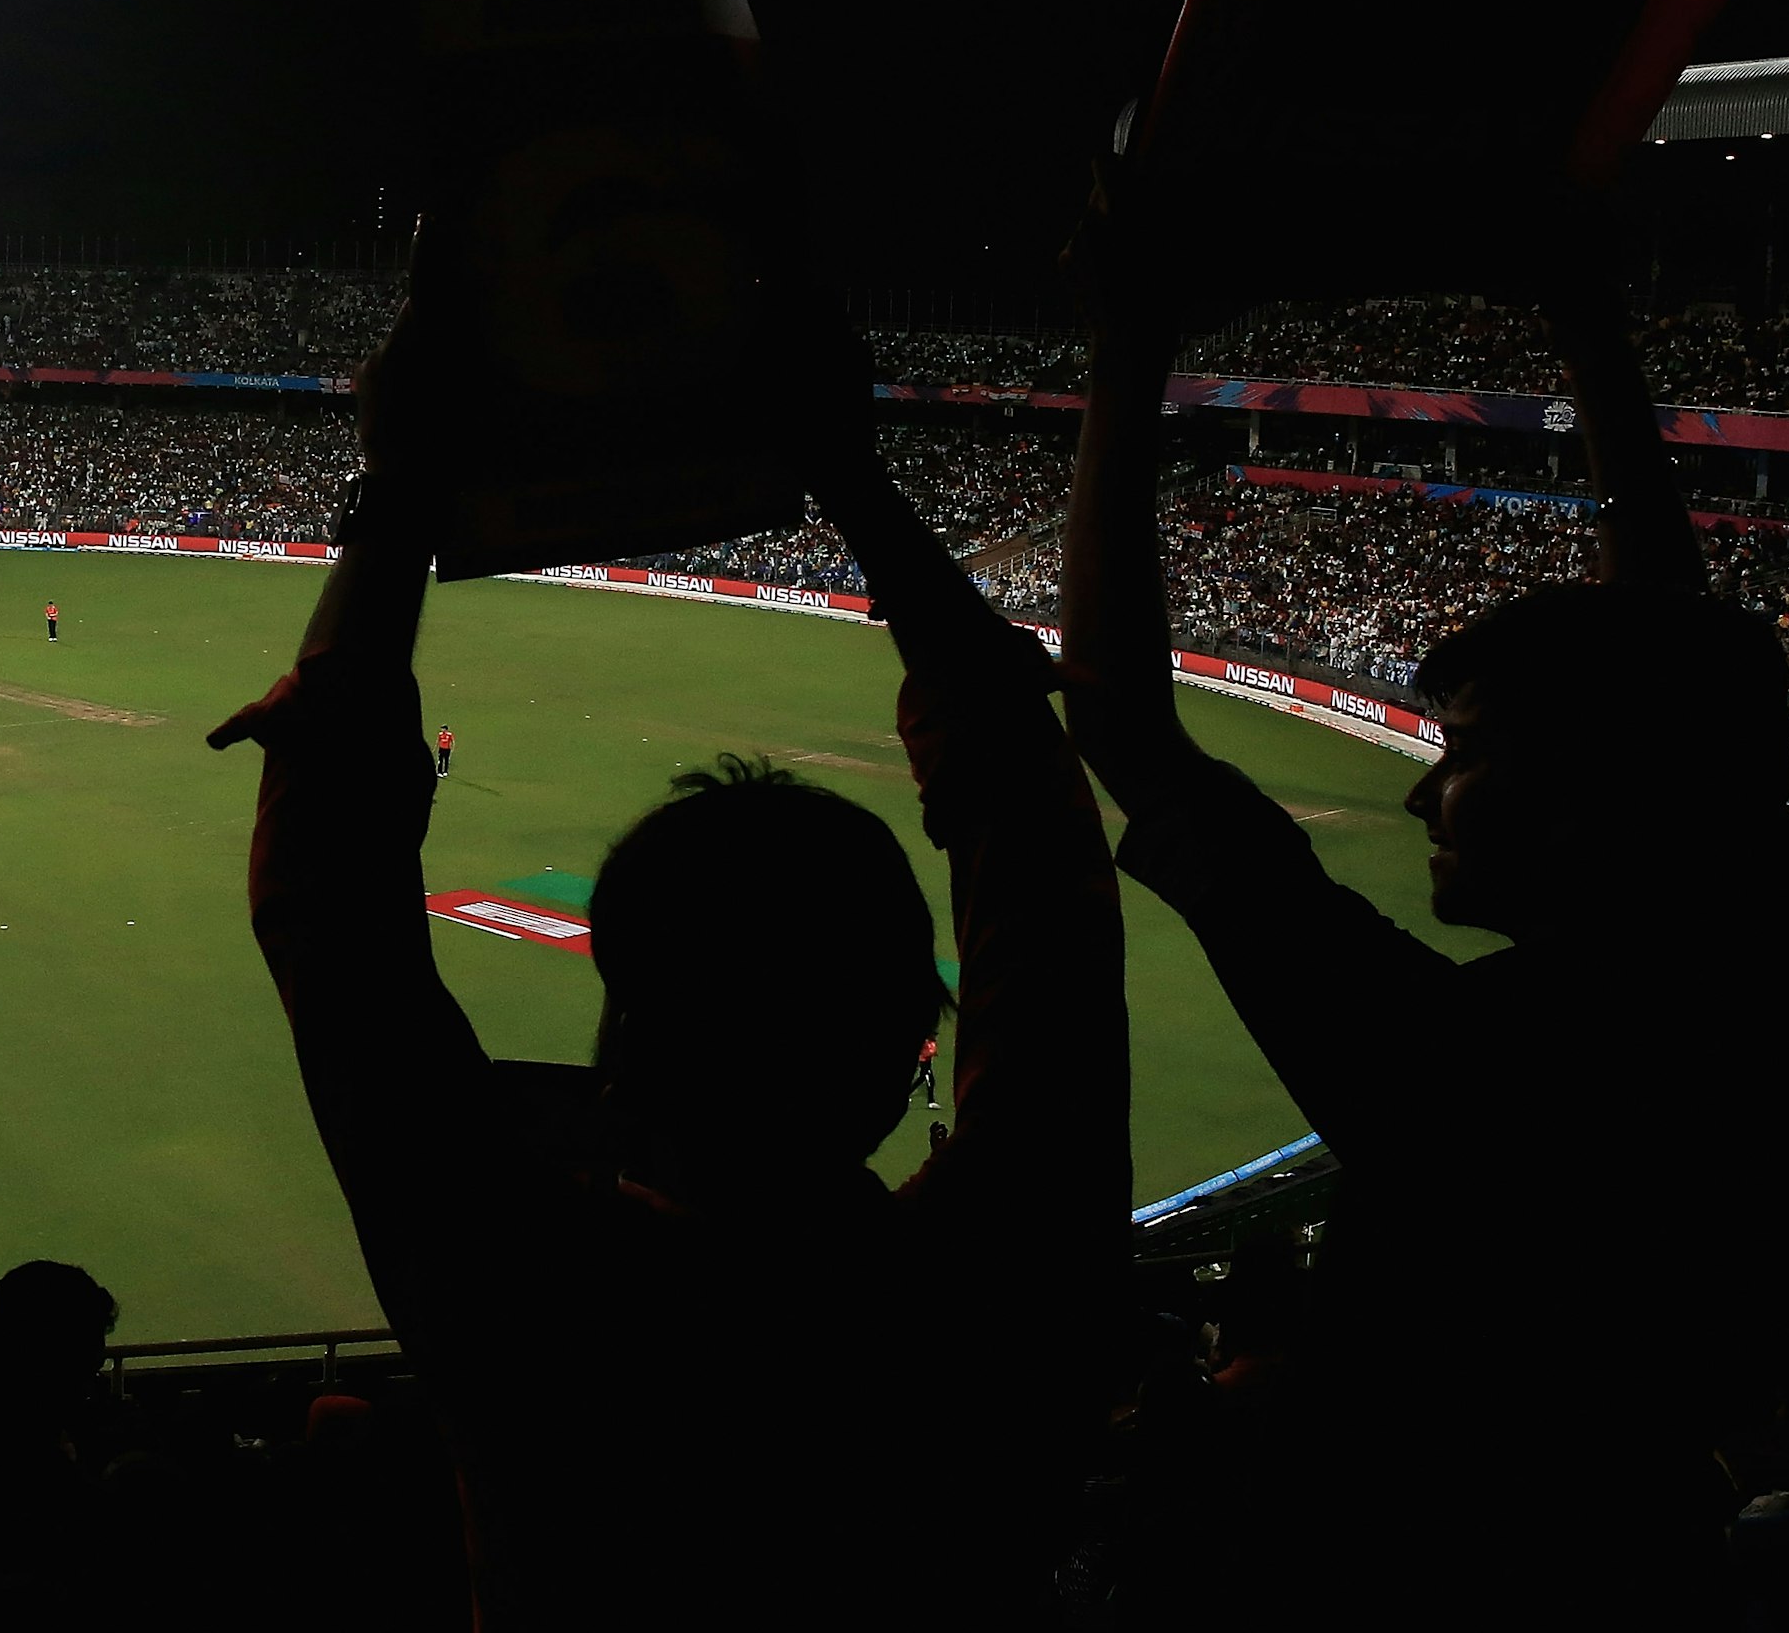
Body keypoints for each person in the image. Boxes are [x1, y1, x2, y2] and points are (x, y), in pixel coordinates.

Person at [212, 313, 1125, 1618]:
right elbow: (1044, 869)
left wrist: (407, 483)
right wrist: (853, 479)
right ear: (913, 1045)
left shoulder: (544, 1313)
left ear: (625, 1054)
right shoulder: (1003, 1286)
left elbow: (333, 929)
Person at [1053, 214, 1789, 1613]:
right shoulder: (1755, 979)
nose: (1427, 801)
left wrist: (1125, 350)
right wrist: (1592, 329)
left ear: (1585, 803)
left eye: (1468, 755)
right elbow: (1670, 652)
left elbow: (1125, 722)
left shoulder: (1476, 1074)